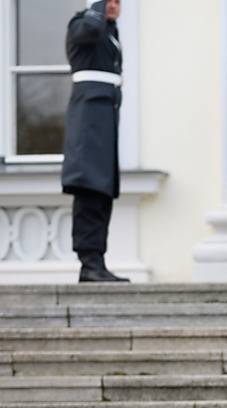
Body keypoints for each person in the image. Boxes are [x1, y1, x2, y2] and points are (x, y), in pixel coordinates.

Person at [62, 0, 128, 282]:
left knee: (102, 191)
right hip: (88, 121)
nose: (112, 6)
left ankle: (97, 261)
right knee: (89, 188)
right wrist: (97, 7)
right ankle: (88, 262)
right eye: (107, 0)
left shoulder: (110, 32)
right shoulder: (82, 24)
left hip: (104, 120)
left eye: (116, 1)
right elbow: (89, 29)